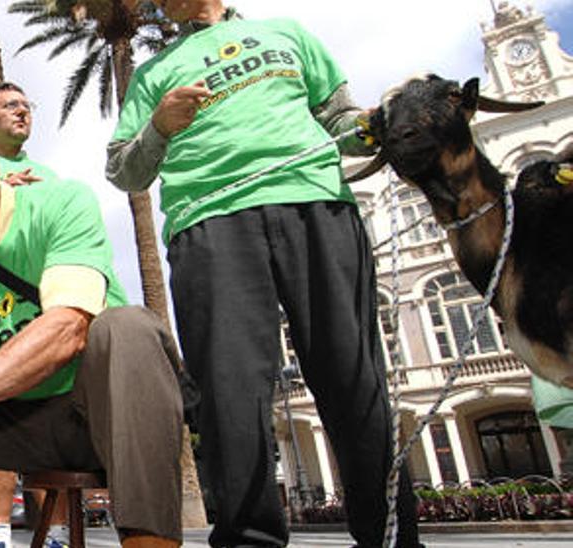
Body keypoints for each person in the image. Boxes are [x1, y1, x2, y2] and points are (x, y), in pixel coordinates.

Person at [105, 2, 422, 547]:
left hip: (316, 206)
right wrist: (158, 126)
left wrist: (376, 128)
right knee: (229, 393)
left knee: (354, 376)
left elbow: (342, 123)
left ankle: (390, 536)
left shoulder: (287, 33)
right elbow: (122, 170)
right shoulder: (154, 75)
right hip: (209, 223)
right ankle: (250, 540)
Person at [0, 100, 184, 548]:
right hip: (17, 430)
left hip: (99, 414)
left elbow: (69, 328)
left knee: (128, 329)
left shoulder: (61, 203)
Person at [0, 81, 68, 548]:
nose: (22, 112)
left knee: (50, 419)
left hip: (44, 312)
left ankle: (53, 531)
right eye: (11, 106)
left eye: (28, 106)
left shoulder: (49, 174)